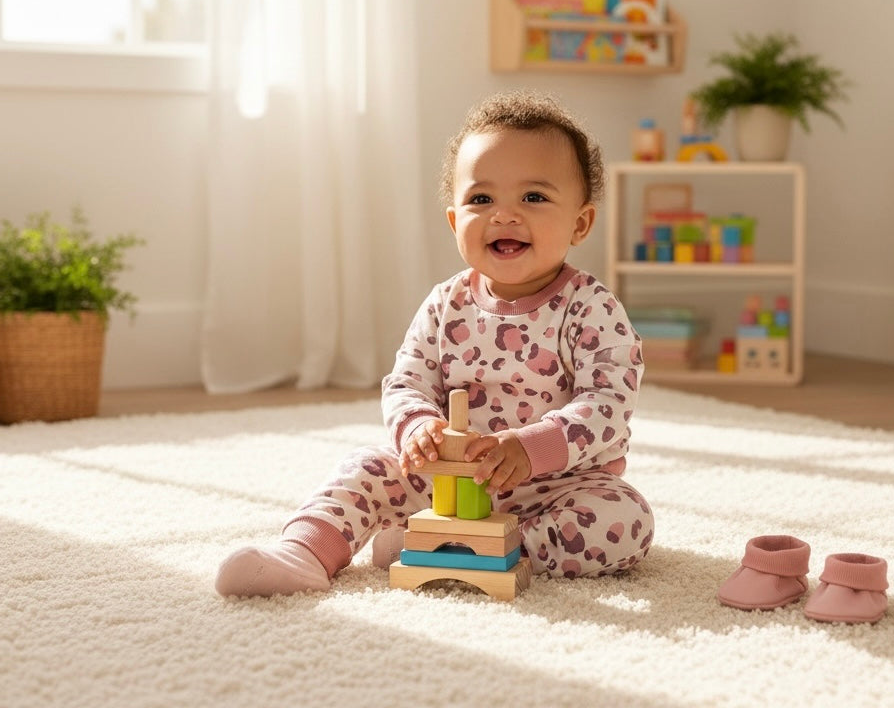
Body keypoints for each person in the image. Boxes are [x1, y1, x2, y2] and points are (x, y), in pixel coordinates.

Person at [215, 91, 652, 597]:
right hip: (447, 483)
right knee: (367, 468)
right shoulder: (447, 303)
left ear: (580, 222)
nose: (504, 215)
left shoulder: (591, 308)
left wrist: (532, 448)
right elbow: (407, 381)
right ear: (454, 222)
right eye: (481, 200)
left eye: (533, 197)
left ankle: (472, 549)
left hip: (556, 489)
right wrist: (418, 426)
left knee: (627, 520)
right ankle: (305, 552)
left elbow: (608, 403)